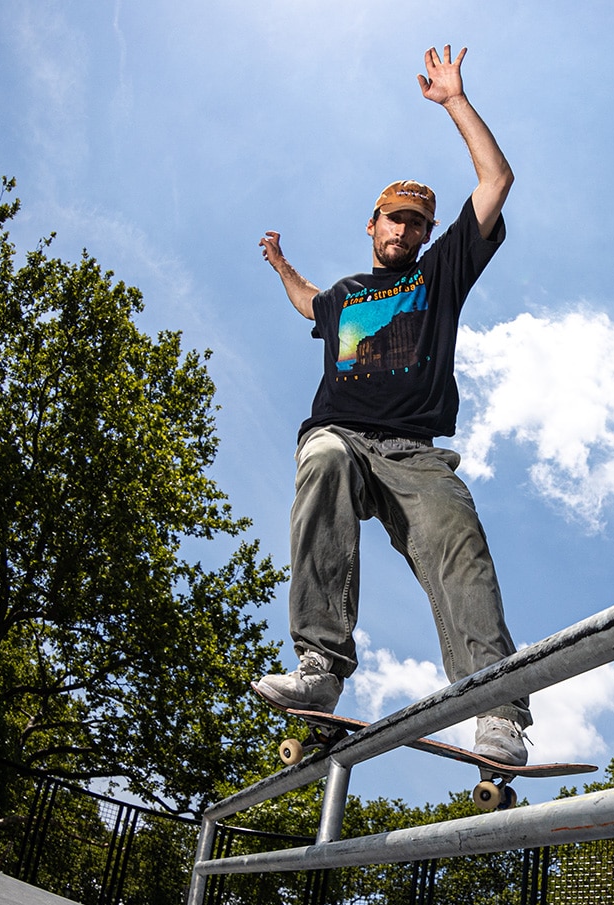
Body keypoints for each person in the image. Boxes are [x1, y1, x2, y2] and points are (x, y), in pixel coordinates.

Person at [251, 44, 530, 769]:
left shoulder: (440, 274)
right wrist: (283, 267)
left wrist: (454, 102)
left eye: (416, 224)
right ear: (372, 224)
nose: (404, 232)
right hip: (345, 434)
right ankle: (321, 665)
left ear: (427, 236)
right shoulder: (345, 295)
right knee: (322, 457)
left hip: (414, 452)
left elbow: (496, 179)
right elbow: (307, 302)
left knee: (457, 541)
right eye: (393, 221)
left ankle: (495, 703)